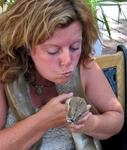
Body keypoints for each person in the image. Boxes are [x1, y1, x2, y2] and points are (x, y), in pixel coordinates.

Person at [0, 0, 124, 149]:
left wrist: (91, 124)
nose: (68, 61)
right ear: (26, 46)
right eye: (53, 51)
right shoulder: (4, 73)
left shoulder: (85, 66)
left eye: (74, 47)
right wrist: (42, 121)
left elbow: (116, 118)